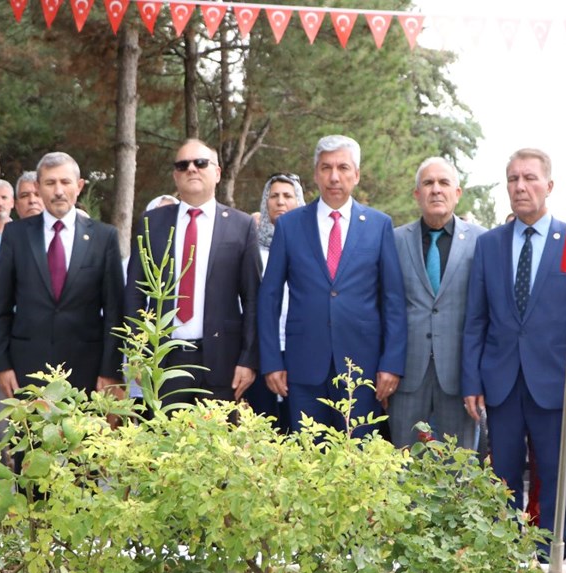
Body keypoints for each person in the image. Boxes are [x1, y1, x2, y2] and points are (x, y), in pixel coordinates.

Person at [461, 148, 566, 542]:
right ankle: (503, 560)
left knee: (554, 478)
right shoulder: (490, 244)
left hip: (556, 384)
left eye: (530, 178)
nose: (521, 186)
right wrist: (472, 381)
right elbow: (476, 318)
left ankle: (548, 559)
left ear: (549, 186)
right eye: (513, 179)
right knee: (501, 478)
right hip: (501, 381)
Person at [258, 135, 406, 435]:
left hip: (361, 372)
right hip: (303, 369)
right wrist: (271, 361)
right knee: (308, 464)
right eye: (326, 168)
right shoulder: (290, 225)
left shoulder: (379, 225)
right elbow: (269, 297)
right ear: (315, 173)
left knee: (358, 463)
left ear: (357, 174)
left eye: (343, 167)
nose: (334, 176)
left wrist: (391, 363)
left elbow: (393, 300)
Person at [125, 139, 260, 406]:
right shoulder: (153, 223)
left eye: (200, 163)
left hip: (223, 360)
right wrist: (136, 353)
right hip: (163, 359)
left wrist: (248, 359)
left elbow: (253, 298)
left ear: (218, 173)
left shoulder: (241, 225)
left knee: (217, 444)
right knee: (165, 443)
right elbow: (135, 294)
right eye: (182, 165)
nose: (191, 169)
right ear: (175, 175)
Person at [0, 151, 124, 397]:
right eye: (50, 183)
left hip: (88, 371)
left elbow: (115, 312)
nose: (58, 191)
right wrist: (2, 365)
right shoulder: (15, 236)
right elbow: (0, 307)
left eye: (65, 182)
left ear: (79, 186)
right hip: (27, 370)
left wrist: (110, 371)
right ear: (38, 188)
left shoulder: (104, 238)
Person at [389, 157, 485, 449]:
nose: (436, 190)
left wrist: (478, 376)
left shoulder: (482, 241)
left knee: (459, 469)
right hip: (407, 375)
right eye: (428, 183)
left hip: (459, 377)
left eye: (444, 183)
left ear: (457, 193)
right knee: (403, 466)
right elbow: (386, 307)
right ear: (417, 194)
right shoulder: (394, 240)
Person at [243, 172, 304, 429]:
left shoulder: (309, 245)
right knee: (266, 428)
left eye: (287, 196)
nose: (280, 201)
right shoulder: (251, 247)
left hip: (299, 348)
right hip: (262, 350)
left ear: (298, 201)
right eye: (274, 196)